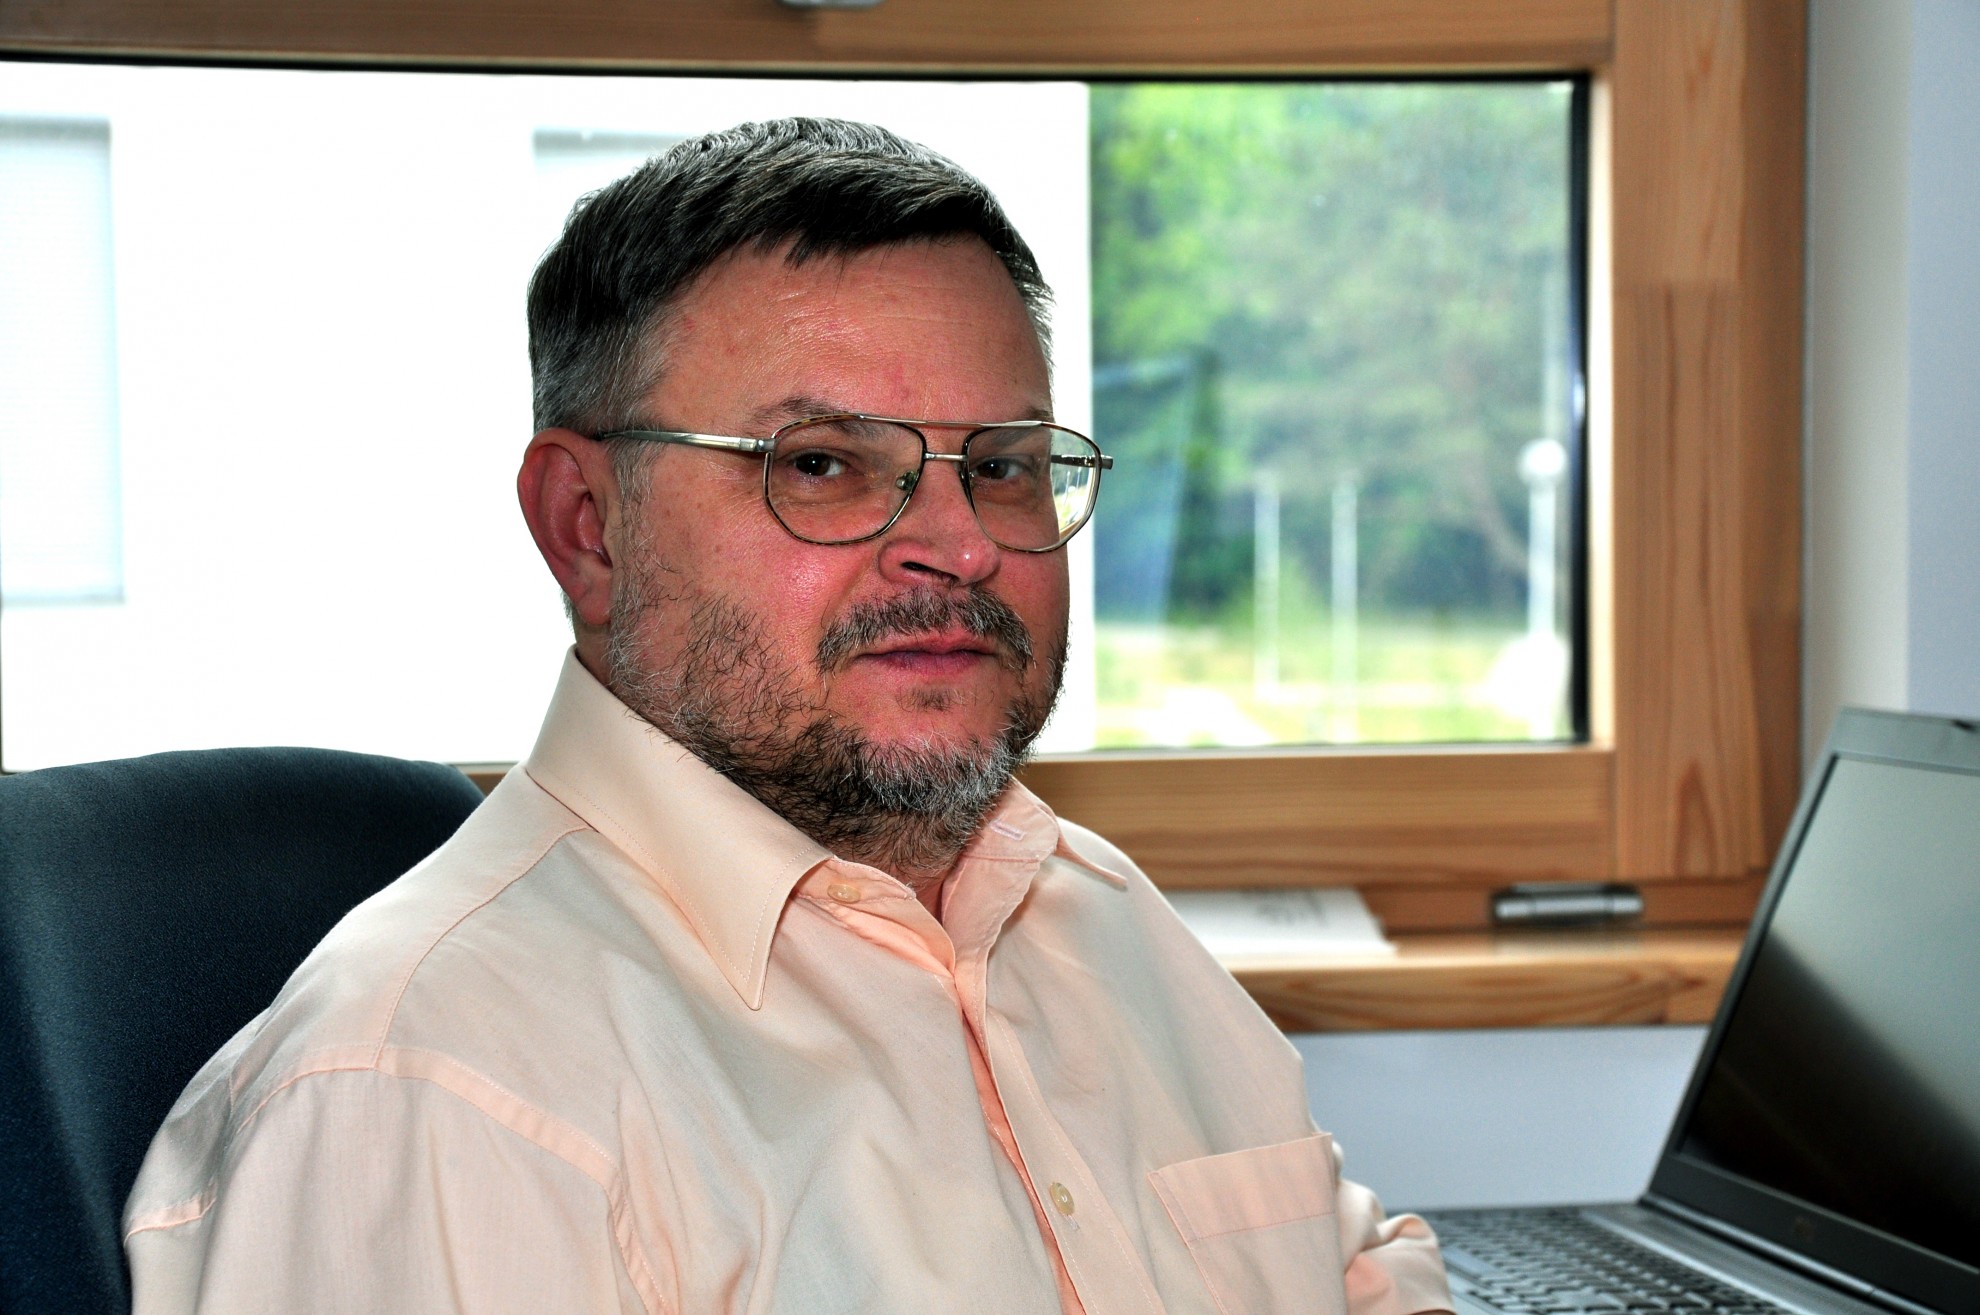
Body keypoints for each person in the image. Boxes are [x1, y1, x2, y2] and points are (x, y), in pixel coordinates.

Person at [122, 117, 1452, 1315]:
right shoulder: (427, 1098)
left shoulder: (1091, 908)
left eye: (1003, 467)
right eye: (821, 465)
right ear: (588, 527)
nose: (961, 546)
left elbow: (1348, 1271)